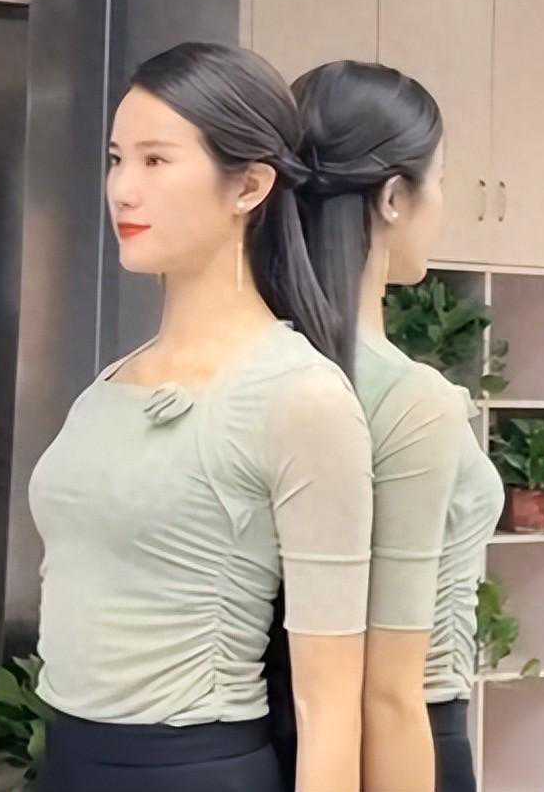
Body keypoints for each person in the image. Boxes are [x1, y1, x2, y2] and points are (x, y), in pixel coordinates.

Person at [28, 42, 376, 792]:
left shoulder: (302, 397)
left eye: (156, 160)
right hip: (69, 759)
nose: (123, 189)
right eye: (117, 159)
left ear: (249, 185)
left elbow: (328, 707)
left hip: (195, 769)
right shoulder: (110, 383)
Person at [287, 59, 504, 792]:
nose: (443, 204)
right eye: (438, 180)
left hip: (290, 734)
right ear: (391, 197)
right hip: (413, 731)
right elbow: (391, 689)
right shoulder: (413, 398)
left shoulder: (268, 370)